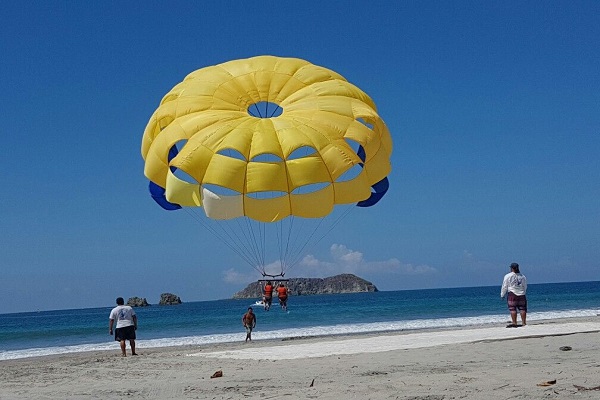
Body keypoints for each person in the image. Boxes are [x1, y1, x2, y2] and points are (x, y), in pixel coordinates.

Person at [500, 262, 528, 328]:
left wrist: (502, 294)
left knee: (512, 309)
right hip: (521, 294)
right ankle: (524, 323)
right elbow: (525, 286)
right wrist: (523, 292)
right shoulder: (522, 276)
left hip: (512, 293)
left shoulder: (508, 276)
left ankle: (514, 322)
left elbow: (504, 286)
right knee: (522, 308)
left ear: (511, 268)